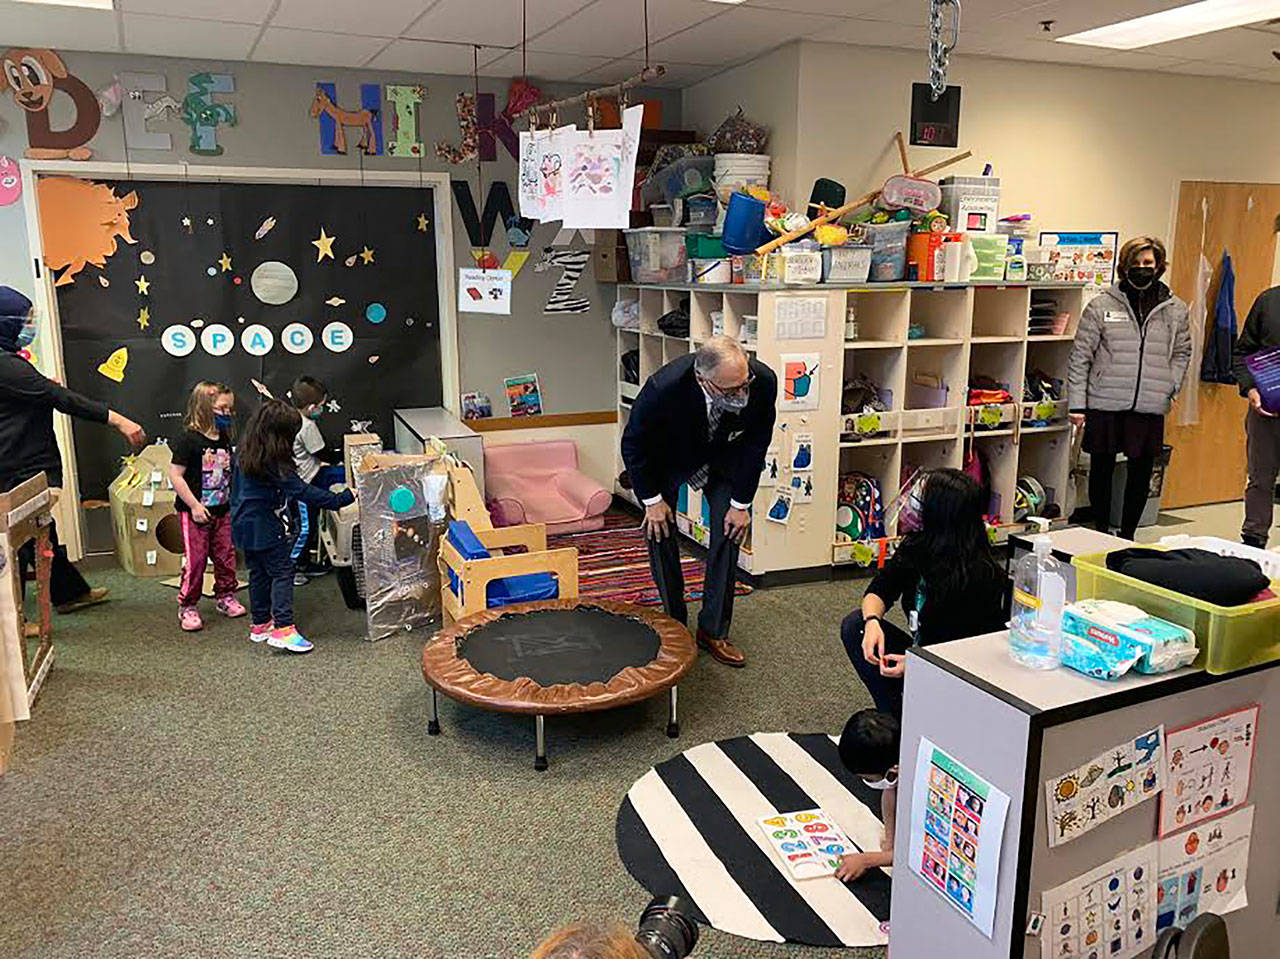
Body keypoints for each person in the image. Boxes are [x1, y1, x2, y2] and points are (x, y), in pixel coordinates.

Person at [621, 335, 776, 667]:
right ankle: (674, 624)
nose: (742, 394)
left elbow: (756, 444)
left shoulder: (762, 382)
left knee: (731, 530)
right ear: (702, 379)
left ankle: (713, 630)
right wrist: (651, 500)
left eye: (744, 383)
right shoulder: (664, 388)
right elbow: (633, 444)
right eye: (730, 390)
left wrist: (741, 504)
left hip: (725, 458)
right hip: (669, 457)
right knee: (659, 530)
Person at [0, 285, 146, 612]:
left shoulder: (10, 363)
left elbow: (38, 392)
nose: (30, 326)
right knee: (23, 542)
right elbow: (61, 398)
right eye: (24, 320)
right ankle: (17, 623)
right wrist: (119, 420)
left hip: (20, 463)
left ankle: (68, 593)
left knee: (40, 533)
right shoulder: (6, 366)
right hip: (17, 469)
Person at [841, 469, 1006, 717]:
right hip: (923, 657)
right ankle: (897, 717)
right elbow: (879, 590)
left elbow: (974, 657)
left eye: (919, 501)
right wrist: (873, 621)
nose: (910, 506)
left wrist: (920, 666)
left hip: (961, 675)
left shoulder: (980, 576)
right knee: (856, 626)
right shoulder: (917, 546)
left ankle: (914, 724)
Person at [1068, 236, 1191, 540]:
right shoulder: (1100, 305)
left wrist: (1170, 386)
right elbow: (1081, 356)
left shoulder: (1174, 308)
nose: (1141, 269)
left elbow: (1182, 352)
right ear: (1124, 266)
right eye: (1135, 263)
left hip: (1149, 403)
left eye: (1148, 263)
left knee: (1141, 472)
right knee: (1101, 471)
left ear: (1159, 266)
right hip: (1105, 401)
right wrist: (1077, 404)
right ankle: (1099, 532)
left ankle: (1127, 535)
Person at [232, 399, 354, 654]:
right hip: (266, 525)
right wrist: (343, 498)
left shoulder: (245, 452)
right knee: (282, 572)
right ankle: (284, 629)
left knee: (258, 573)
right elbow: (303, 491)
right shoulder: (275, 464)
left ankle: (261, 623)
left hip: (242, 523)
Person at [169, 381, 245, 631]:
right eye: (222, 409)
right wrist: (193, 505)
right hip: (195, 514)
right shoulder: (187, 440)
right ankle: (188, 605)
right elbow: (176, 476)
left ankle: (225, 596)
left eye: (229, 410)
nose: (227, 414)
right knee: (197, 560)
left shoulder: (223, 437)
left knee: (225, 556)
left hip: (222, 510)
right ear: (205, 407)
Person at [1233, 285, 1280, 548]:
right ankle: (1253, 544)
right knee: (1260, 479)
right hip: (1267, 408)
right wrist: (1250, 388)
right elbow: (1242, 352)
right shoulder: (1269, 301)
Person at [288, 375, 345, 585]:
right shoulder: (307, 426)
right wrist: (344, 457)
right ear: (312, 407)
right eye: (321, 406)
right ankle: (291, 568)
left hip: (306, 478)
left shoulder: (292, 418)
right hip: (302, 485)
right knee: (304, 528)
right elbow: (324, 454)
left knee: (307, 525)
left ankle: (303, 563)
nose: (323, 409)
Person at [835, 708, 900, 883]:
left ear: (893, 768)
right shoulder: (894, 771)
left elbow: (922, 853)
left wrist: (867, 860)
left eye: (867, 778)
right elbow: (890, 791)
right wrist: (890, 840)